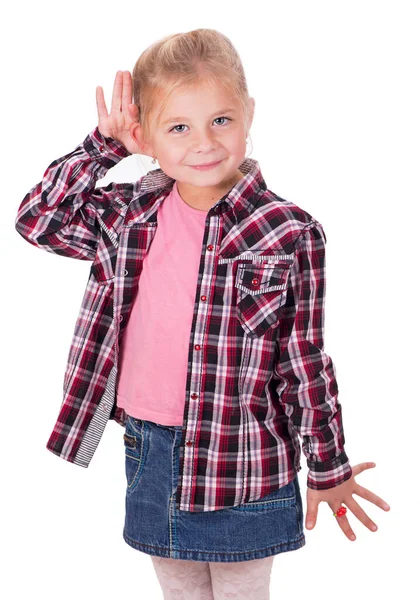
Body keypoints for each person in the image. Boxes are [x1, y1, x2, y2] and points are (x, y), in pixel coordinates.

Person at [15, 28, 390, 600]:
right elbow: (37, 219)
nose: (203, 143)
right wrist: (105, 147)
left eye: (220, 120)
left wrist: (327, 464)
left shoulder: (287, 232)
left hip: (243, 453)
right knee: (180, 592)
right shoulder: (128, 216)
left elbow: (302, 359)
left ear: (248, 113)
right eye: (178, 128)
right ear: (148, 137)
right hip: (152, 450)